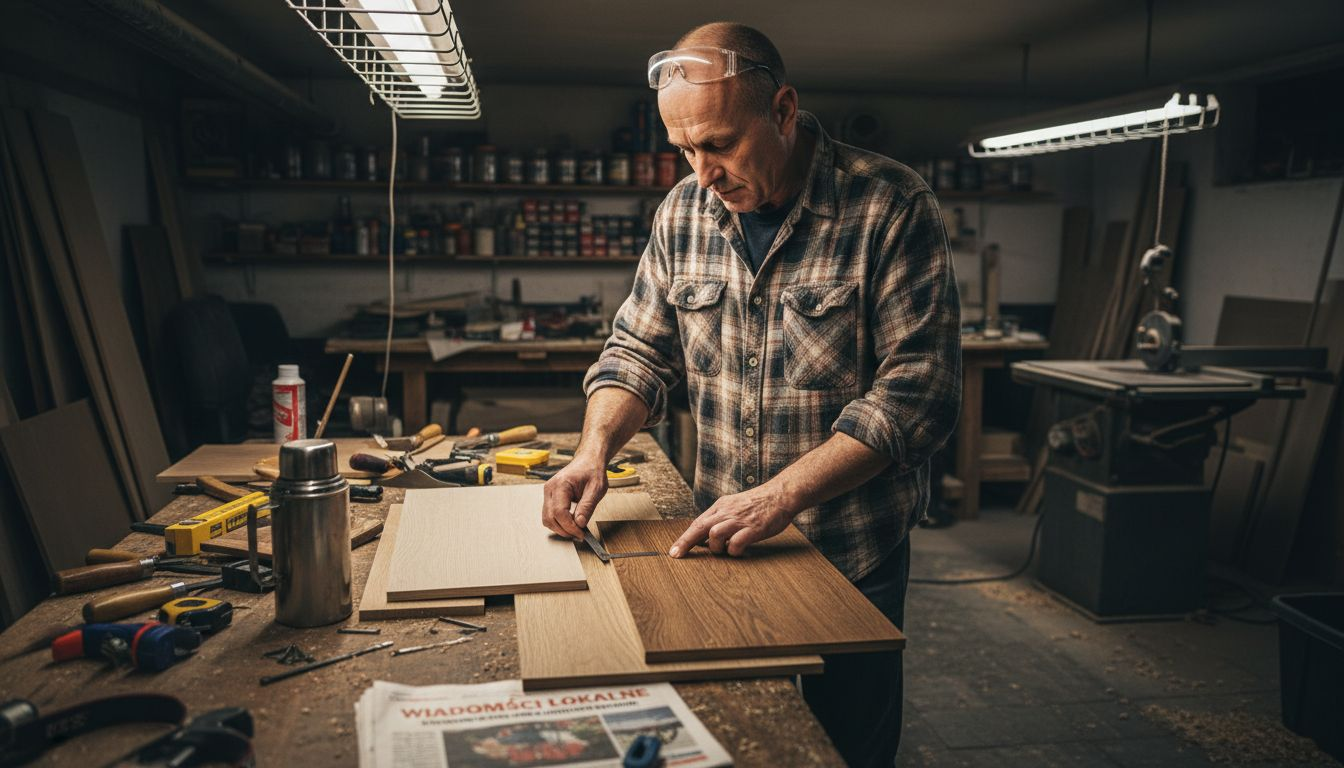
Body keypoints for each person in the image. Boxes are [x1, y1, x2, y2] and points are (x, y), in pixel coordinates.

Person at [541, 21, 961, 767]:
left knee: (846, 747)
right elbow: (638, 349)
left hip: (850, 547)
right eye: (684, 150)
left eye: (721, 144)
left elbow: (918, 395)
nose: (703, 173)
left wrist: (783, 495)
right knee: (733, 735)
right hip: (720, 538)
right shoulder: (682, 212)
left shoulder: (889, 205)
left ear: (784, 109)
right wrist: (593, 451)